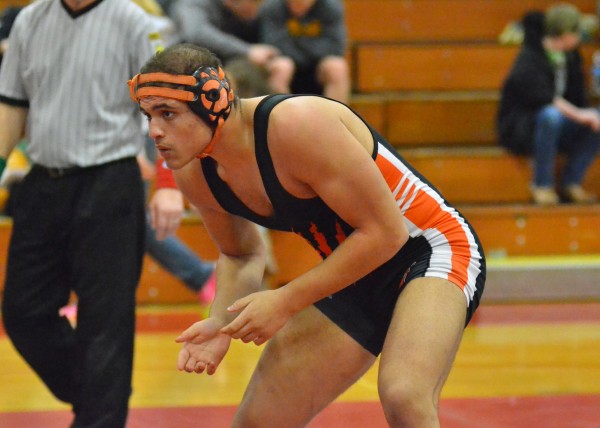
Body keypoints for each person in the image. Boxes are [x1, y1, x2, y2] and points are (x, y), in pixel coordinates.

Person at [129, 43, 486, 427]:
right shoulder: (196, 175)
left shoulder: (296, 123)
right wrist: (219, 324)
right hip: (357, 268)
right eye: (149, 115)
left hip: (429, 247)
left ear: (213, 101)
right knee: (259, 422)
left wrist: (285, 301)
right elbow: (241, 255)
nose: (154, 131)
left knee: (404, 394)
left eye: (167, 114)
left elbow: (386, 233)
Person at [0, 1, 182, 426]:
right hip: (44, 182)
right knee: (23, 311)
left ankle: (101, 408)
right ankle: (100, 394)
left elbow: (168, 108)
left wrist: (168, 184)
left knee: (106, 322)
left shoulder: (135, 22)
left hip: (110, 184)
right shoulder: (30, 19)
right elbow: (11, 106)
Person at [497, 2, 600, 205]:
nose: (580, 37)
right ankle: (542, 185)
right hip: (525, 128)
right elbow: (543, 97)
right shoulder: (530, 56)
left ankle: (571, 182)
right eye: (577, 32)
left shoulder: (571, 56)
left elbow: (577, 99)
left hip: (559, 125)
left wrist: (587, 115)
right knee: (550, 115)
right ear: (565, 34)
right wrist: (580, 115)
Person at [171, 0, 288, 93]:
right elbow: (196, 33)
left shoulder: (252, 14)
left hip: (229, 65)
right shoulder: (195, 4)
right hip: (190, 68)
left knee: (280, 67)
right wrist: (247, 51)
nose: (255, 13)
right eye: (250, 7)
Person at [260, 0, 350, 103]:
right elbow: (274, 46)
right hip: (289, 67)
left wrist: (296, 44)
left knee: (337, 67)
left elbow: (336, 47)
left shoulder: (331, 7)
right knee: (281, 67)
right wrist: (311, 47)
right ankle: (286, 116)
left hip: (318, 69)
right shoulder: (272, 6)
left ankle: (333, 117)